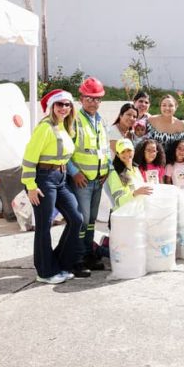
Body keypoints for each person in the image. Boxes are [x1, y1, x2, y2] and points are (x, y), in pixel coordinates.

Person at [21, 89, 86, 284]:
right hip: (43, 179)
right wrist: (31, 186)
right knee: (43, 226)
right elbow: (29, 158)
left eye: (67, 104)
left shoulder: (63, 126)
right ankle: (45, 272)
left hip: (60, 178)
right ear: (51, 106)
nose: (64, 108)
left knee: (76, 219)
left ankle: (59, 263)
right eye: (60, 104)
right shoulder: (45, 127)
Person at [67, 77, 112, 272]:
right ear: (81, 99)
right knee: (82, 221)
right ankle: (76, 258)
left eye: (97, 99)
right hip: (82, 181)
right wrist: (74, 172)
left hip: (98, 179)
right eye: (89, 98)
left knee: (91, 221)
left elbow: (105, 149)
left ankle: (88, 254)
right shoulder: (74, 120)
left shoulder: (101, 121)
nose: (93, 102)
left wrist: (107, 168)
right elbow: (64, 152)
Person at [108, 139, 154, 209]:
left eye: (129, 150)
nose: (126, 154)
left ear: (134, 151)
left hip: (137, 211)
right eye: (122, 151)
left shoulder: (136, 169)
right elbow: (118, 201)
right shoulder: (114, 173)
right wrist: (134, 193)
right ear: (117, 154)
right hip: (124, 215)